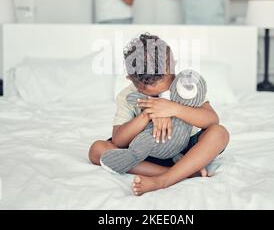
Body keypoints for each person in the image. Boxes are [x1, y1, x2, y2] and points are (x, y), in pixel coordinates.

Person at [88, 33, 229, 196]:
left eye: (166, 83)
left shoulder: (186, 87)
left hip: (185, 151)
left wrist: (173, 109)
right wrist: (148, 114)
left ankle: (164, 180)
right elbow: (119, 140)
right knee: (97, 150)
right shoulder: (127, 96)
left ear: (174, 66)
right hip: (144, 151)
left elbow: (212, 119)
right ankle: (179, 171)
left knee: (220, 133)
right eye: (152, 91)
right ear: (131, 80)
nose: (162, 93)